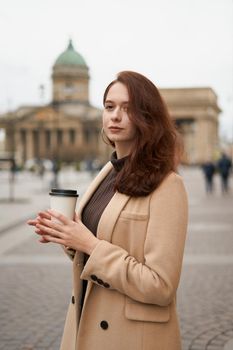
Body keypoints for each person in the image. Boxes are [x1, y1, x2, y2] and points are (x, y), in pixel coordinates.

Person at [27, 71, 188, 350]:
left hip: (131, 335)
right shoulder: (108, 172)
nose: (115, 116)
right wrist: (68, 235)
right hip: (87, 322)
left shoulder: (168, 186)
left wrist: (87, 242)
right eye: (109, 106)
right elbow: (98, 247)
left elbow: (160, 285)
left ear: (148, 117)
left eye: (128, 109)